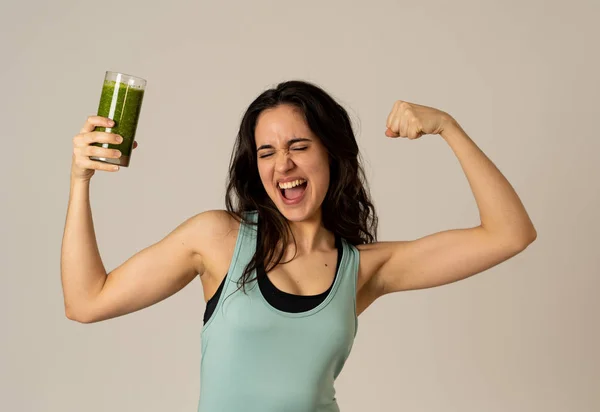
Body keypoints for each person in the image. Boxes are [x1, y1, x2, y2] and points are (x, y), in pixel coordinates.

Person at [61, 80, 537, 411]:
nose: (282, 164)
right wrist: (80, 181)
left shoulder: (364, 268)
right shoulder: (217, 238)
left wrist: (448, 127)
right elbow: (86, 301)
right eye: (266, 152)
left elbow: (510, 234)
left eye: (300, 146)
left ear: (331, 152)